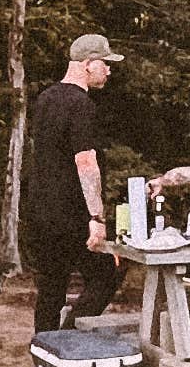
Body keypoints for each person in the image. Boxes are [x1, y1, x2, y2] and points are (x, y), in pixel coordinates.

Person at [23, 31, 124, 333]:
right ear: (88, 63)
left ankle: (45, 364)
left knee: (51, 291)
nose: (109, 70)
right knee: (108, 273)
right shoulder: (81, 105)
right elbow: (85, 162)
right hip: (71, 216)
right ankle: (68, 339)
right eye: (105, 63)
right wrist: (96, 217)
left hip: (41, 213)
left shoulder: (45, 99)